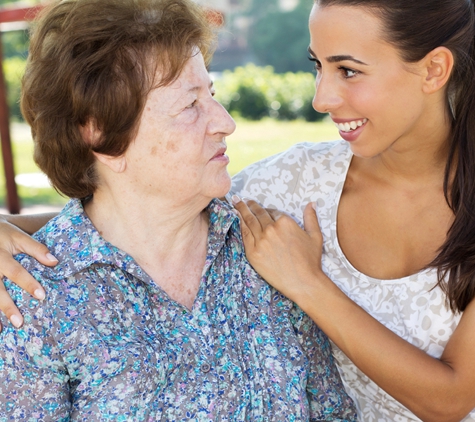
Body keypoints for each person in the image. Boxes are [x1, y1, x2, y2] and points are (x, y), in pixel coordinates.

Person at [0, 0, 473, 420]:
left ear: (434, 70)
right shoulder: (35, 298)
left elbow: (445, 399)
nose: (320, 99)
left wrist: (310, 285)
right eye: (191, 104)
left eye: (348, 69)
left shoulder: (268, 245)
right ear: (101, 135)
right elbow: (119, 213)